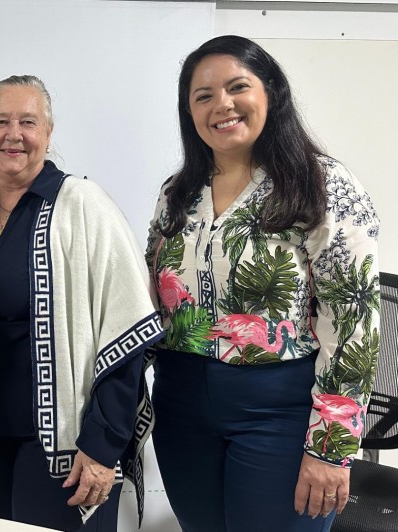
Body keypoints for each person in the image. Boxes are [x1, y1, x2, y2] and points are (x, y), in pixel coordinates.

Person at [146, 35, 381, 531]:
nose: (222, 105)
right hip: (181, 404)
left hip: (279, 412)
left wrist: (331, 447)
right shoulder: (177, 192)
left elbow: (355, 320)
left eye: (237, 87)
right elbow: (152, 302)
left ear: (270, 92)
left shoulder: (321, 184)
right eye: (203, 96)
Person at [0, 75, 162, 531]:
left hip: (69, 444)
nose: (13, 134)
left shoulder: (83, 205)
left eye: (28, 121)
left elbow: (127, 331)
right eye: (0, 121)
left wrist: (102, 445)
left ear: (48, 134)